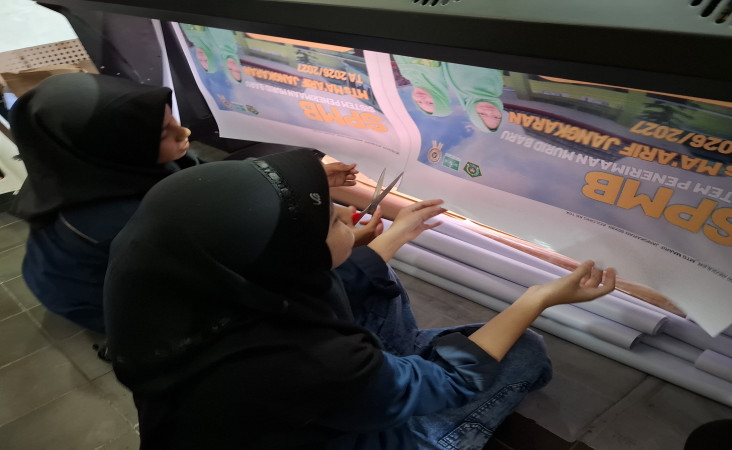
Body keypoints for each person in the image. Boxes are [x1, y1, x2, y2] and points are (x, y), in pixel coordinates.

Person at [104, 149, 616, 449]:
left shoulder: (178, 287)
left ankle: (391, 377)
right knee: (522, 351)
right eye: (333, 220)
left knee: (370, 279)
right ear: (292, 258)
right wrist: (535, 299)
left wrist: (396, 232)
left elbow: (341, 277)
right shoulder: (301, 360)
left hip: (291, 410)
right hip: (343, 432)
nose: (351, 216)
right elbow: (454, 381)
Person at [8, 73, 198, 333]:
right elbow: (199, 269)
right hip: (96, 299)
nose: (184, 131)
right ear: (114, 144)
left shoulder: (73, 164)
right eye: (163, 132)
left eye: (170, 118)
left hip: (57, 271)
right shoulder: (120, 221)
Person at [442, 62, 505, 133]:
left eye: (482, 114)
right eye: (496, 117)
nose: (489, 111)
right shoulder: (496, 90)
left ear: (473, 112)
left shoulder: (462, 86)